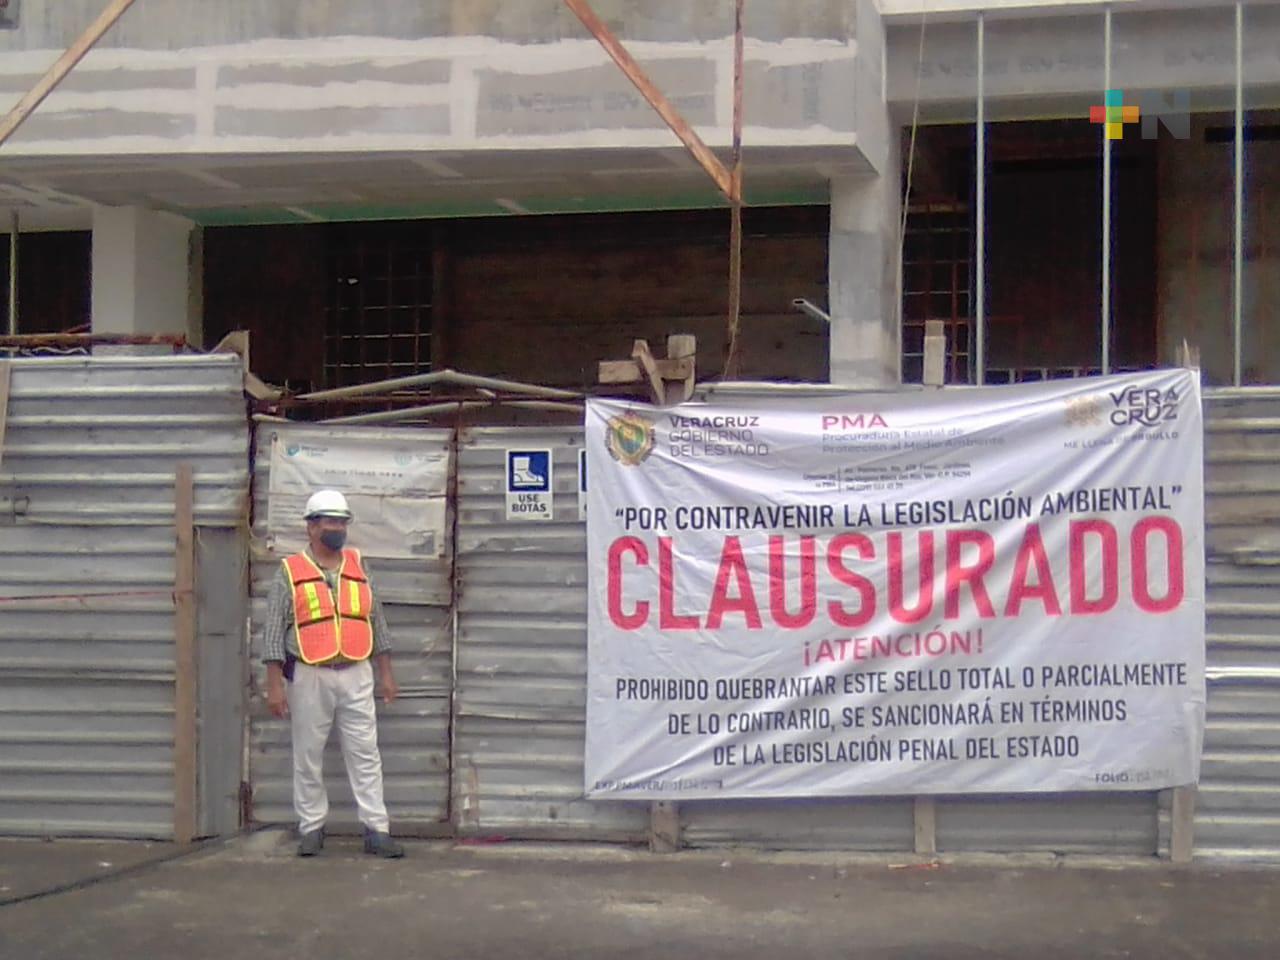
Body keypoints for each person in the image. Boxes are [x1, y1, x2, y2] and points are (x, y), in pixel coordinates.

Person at [262, 489, 404, 858]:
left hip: (357, 671)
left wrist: (386, 673)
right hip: (309, 673)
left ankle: (377, 829)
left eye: (341, 522)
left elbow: (377, 621)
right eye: (329, 522)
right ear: (311, 527)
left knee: (365, 753)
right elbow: (274, 629)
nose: (337, 528)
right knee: (308, 754)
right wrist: (274, 685)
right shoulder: (289, 571)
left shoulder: (358, 565)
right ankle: (311, 828)